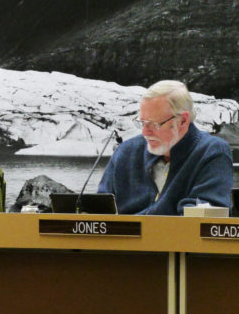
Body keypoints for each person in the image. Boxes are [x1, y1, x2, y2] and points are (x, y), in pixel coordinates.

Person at [98, 80, 233, 215]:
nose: (145, 132)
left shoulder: (212, 152)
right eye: (142, 123)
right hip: (121, 235)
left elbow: (201, 219)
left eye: (155, 124)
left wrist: (128, 225)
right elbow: (98, 212)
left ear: (182, 121)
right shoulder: (125, 152)